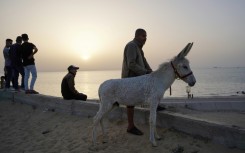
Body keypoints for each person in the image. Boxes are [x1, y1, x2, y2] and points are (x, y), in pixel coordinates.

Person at [122, 28, 165, 135]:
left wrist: (152, 73)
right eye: (143, 36)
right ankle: (130, 127)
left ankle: (155, 105)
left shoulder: (139, 49)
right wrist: (145, 72)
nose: (145, 38)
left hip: (138, 78)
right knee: (130, 103)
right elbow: (131, 64)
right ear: (136, 36)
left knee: (151, 88)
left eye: (146, 36)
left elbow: (145, 63)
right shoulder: (131, 46)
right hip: (130, 79)